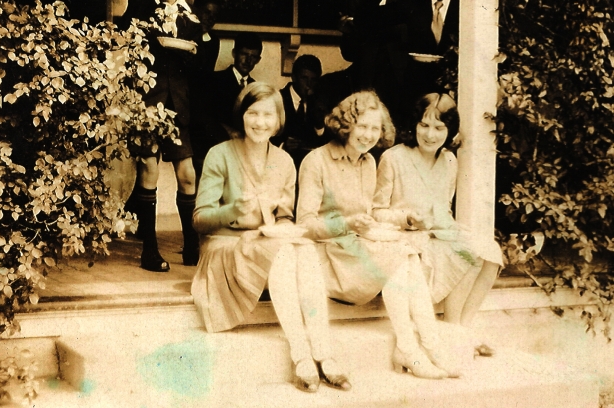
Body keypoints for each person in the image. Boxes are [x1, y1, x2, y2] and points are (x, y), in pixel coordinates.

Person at [191, 82, 350, 393]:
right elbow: (199, 221)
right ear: (242, 115)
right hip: (225, 247)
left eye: (268, 115)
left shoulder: (285, 161)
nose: (260, 122)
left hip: (265, 245)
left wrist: (283, 226)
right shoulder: (219, 154)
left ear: (279, 120)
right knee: (285, 253)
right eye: (253, 113)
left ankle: (323, 352)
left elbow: (285, 216)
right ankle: (301, 356)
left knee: (303, 250)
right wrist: (232, 209)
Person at [297, 91, 460, 379]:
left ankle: (425, 346)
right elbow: (305, 225)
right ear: (346, 124)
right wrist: (347, 224)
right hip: (327, 259)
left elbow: (369, 217)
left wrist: (398, 223)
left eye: (375, 128)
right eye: (362, 126)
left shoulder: (369, 162)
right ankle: (415, 350)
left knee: (404, 251)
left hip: (355, 253)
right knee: (401, 256)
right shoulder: (316, 161)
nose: (368, 135)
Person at [372, 93, 503, 356]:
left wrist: (449, 226)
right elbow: (376, 212)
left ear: (449, 130)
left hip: (434, 236)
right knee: (466, 255)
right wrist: (407, 218)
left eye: (439, 127)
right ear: (414, 124)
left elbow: (443, 209)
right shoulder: (393, 157)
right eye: (424, 125)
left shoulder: (449, 161)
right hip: (403, 240)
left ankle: (460, 327)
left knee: (487, 251)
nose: (430, 135)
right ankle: (453, 329)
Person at [119, 0, 203, 271]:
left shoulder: (190, 18)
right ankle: (150, 250)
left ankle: (191, 243)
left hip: (177, 106)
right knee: (149, 171)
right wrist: (157, 0)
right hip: (147, 104)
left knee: (187, 174)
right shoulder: (140, 5)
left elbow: (195, 59)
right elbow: (125, 33)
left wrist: (187, 43)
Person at [365, 0, 459, 132]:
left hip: (457, 96)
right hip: (417, 97)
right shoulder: (415, 2)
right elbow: (368, 18)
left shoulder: (466, 3)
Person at [188, 0, 222, 180]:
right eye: (207, 12)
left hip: (199, 103)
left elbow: (204, 73)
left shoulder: (213, 41)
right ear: (196, 11)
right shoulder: (184, 33)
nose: (210, 18)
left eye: (214, 15)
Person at [271, 54, 323, 168]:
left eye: (313, 80)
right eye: (304, 78)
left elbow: (322, 140)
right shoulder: (276, 99)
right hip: (279, 165)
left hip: (308, 167)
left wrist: (319, 125)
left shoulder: (317, 102)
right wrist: (283, 145)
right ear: (294, 77)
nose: (308, 84)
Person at [210, 32, 263, 141]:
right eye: (244, 54)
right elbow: (206, 118)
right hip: (219, 145)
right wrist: (227, 130)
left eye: (253, 56)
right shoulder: (214, 80)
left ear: (258, 60)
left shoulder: (256, 88)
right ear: (234, 53)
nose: (248, 61)